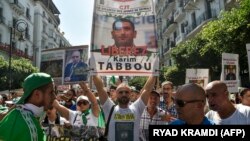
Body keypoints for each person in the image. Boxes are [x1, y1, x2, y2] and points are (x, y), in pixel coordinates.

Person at [93, 75, 156, 141]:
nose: (124, 94)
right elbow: (99, 88)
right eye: (121, 92)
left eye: (126, 92)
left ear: (130, 94)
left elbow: (147, 89)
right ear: (116, 94)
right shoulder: (109, 108)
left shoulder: (137, 107)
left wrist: (154, 73)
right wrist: (94, 71)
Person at [0, 72, 56, 141]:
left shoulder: (17, 114)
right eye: (51, 92)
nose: (54, 97)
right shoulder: (29, 126)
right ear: (37, 94)